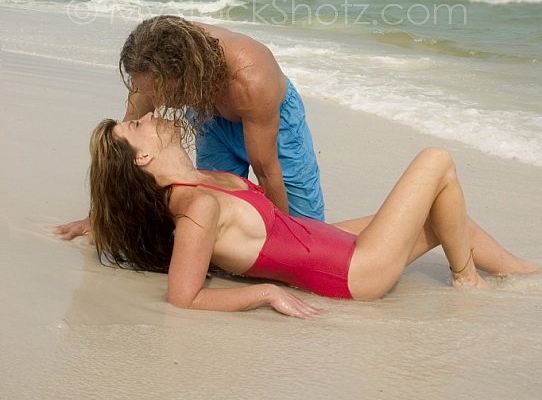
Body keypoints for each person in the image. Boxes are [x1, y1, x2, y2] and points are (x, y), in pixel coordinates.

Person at [87, 112, 539, 319]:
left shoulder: (203, 178)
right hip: (351, 273)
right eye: (135, 126)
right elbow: (183, 297)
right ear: (142, 157)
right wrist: (264, 294)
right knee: (436, 160)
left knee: (449, 214)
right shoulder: (196, 209)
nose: (145, 116)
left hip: (328, 240)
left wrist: (94, 224)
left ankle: (525, 272)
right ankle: (466, 278)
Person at [56, 15, 325, 244]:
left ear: (186, 76)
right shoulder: (151, 60)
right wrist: (99, 216)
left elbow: (266, 169)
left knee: (309, 231)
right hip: (211, 115)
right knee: (219, 221)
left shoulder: (251, 79)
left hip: (269, 118)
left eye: (161, 92)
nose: (155, 100)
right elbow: (123, 148)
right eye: (148, 90)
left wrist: (287, 245)